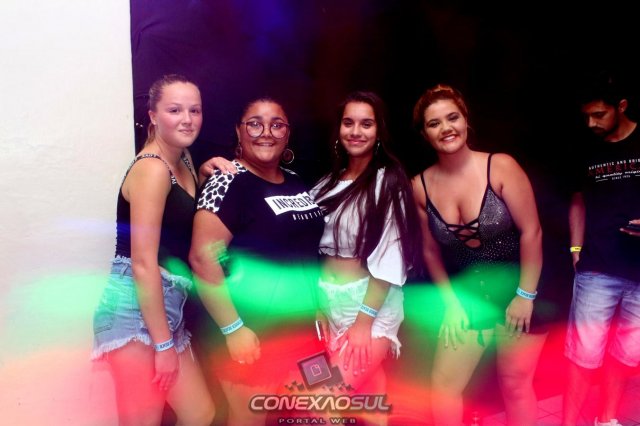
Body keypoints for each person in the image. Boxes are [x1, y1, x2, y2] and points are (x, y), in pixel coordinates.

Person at [411, 84, 547, 426]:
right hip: (470, 296)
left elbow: (532, 232)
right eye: (434, 123)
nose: (446, 128)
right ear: (425, 134)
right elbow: (429, 251)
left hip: (521, 287)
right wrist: (451, 304)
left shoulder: (500, 166)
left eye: (452, 117)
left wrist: (525, 296)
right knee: (444, 387)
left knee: (515, 385)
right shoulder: (419, 186)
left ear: (465, 120)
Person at [188, 97, 325, 426]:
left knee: (327, 411)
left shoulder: (295, 179)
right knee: (249, 418)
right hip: (252, 333)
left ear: (287, 134)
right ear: (239, 131)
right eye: (255, 124)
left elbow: (303, 251)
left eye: (276, 125)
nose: (266, 132)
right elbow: (202, 259)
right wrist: (233, 329)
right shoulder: (226, 180)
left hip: (302, 331)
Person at [91, 74, 215, 425]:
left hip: (166, 304)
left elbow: (177, 215)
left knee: (200, 413)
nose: (187, 119)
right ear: (153, 116)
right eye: (175, 110)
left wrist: (204, 173)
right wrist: (162, 345)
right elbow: (143, 262)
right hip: (134, 305)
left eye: (194, 110)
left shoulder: (183, 159)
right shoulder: (152, 168)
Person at [310, 91, 420, 425]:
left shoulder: (389, 182)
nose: (356, 131)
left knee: (323, 401)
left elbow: (391, 257)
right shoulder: (327, 182)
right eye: (349, 123)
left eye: (366, 124)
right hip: (331, 304)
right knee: (370, 397)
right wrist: (320, 304)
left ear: (379, 131)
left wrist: (363, 323)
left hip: (368, 307)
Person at [561, 71, 640, 426]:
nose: (591, 123)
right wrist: (575, 248)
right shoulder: (585, 147)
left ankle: (606, 420)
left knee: (626, 355)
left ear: (621, 107)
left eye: (599, 115)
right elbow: (577, 199)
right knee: (583, 355)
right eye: (586, 116)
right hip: (597, 266)